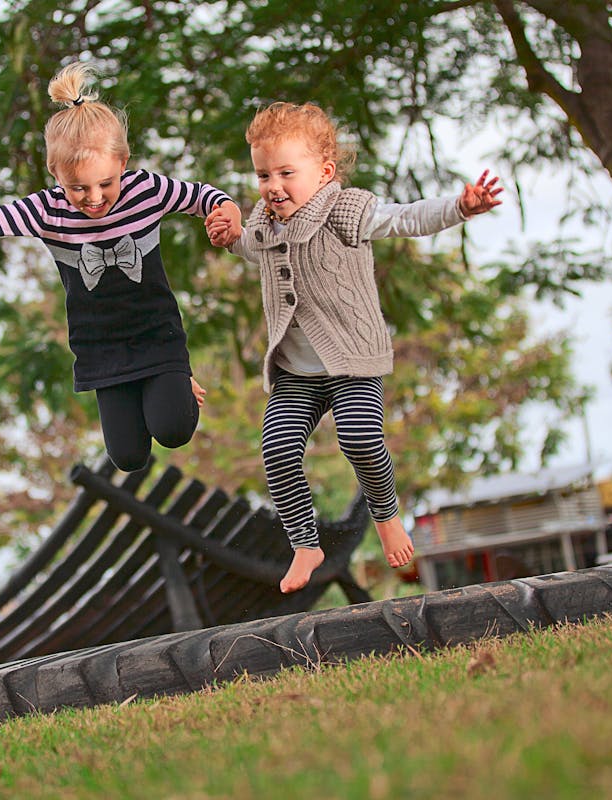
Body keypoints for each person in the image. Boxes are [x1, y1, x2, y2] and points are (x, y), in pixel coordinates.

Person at [0, 62, 242, 472]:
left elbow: (203, 195)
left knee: (172, 430)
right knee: (129, 458)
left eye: (105, 183)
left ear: (122, 163)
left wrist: (229, 213)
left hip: (158, 335)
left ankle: (172, 381)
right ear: (56, 175)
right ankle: (160, 386)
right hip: (101, 346)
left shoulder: (146, 189)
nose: (95, 197)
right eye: (78, 188)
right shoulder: (48, 210)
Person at [205, 102, 501, 593]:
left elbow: (406, 219)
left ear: (323, 173)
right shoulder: (265, 221)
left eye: (285, 173)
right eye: (262, 174)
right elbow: (252, 247)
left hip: (352, 360)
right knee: (277, 450)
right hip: (296, 371)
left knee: (360, 439)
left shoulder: (347, 211)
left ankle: (387, 517)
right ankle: (305, 543)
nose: (272, 186)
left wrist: (460, 207)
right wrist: (232, 235)